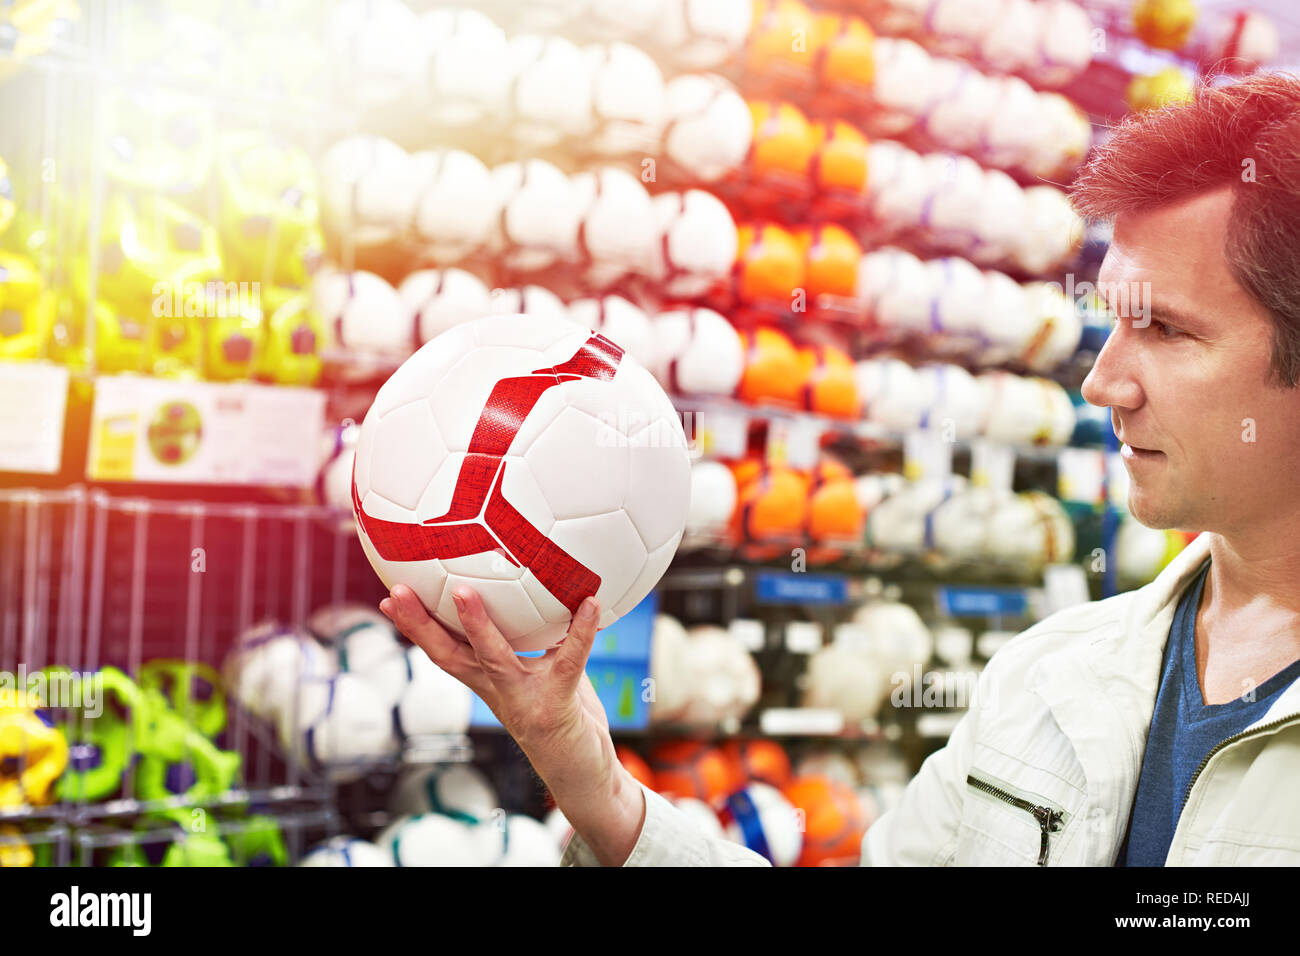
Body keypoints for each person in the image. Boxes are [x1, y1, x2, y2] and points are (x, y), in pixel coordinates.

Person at [381, 71, 1300, 866]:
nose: (1103, 383)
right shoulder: (1051, 679)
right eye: (1113, 323)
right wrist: (583, 765)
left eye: (1168, 330)